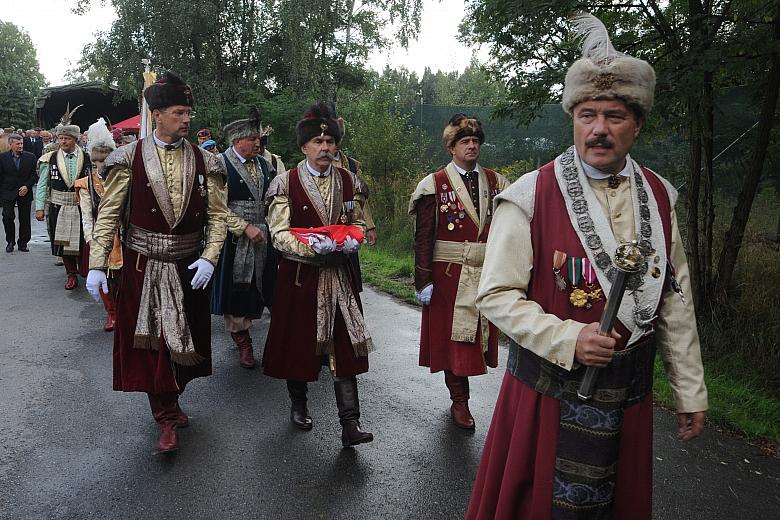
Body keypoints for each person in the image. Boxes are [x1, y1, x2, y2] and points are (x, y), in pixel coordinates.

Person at [466, 14, 708, 519]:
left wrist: (688, 389)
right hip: (547, 399)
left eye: (615, 116)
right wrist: (567, 338)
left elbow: (674, 298)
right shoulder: (529, 195)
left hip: (629, 400)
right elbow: (495, 295)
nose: (599, 129)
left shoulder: (661, 196)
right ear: (573, 118)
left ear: (637, 124)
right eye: (587, 115)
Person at [85, 71, 228, 454]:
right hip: (141, 265)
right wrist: (97, 263)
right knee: (155, 345)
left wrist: (211, 258)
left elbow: (218, 217)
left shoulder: (208, 161)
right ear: (158, 113)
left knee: (187, 341)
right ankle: (164, 416)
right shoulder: (125, 158)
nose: (188, 119)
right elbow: (109, 214)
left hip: (188, 266)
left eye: (189, 112)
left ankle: (172, 399)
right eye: (180, 112)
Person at [263, 102, 374, 447]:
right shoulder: (285, 183)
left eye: (330, 142)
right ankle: (298, 404)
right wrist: (313, 247)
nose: (325, 148)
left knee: (345, 348)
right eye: (317, 143)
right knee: (299, 346)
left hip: (339, 276)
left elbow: (355, 220)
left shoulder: (349, 180)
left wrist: (353, 238)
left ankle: (350, 423)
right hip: (301, 277)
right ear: (303, 147)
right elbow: (278, 233)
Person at [408, 115, 510, 430]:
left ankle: (463, 398)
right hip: (448, 275)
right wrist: (423, 279)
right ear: (451, 147)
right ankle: (459, 401)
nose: (471, 147)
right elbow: (423, 237)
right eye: (465, 142)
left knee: (476, 341)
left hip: (486, 271)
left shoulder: (496, 182)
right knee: (454, 343)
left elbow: (511, 229)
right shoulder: (434, 184)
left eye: (476, 142)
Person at [211, 109, 277, 369]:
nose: (258, 142)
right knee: (237, 292)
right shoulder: (220, 164)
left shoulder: (264, 164)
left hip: (265, 235)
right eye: (252, 138)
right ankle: (244, 344)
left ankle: (280, 344)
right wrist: (243, 227)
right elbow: (215, 206)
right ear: (237, 140)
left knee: (270, 287)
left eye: (257, 138)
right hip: (234, 240)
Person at [36, 105, 91, 289]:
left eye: (66, 138)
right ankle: (71, 274)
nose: (63, 142)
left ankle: (83, 269)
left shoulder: (87, 158)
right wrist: (39, 208)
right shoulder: (49, 159)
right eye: (60, 138)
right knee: (63, 243)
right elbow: (43, 184)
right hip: (58, 206)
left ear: (75, 139)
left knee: (83, 240)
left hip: (82, 205)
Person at [74, 119, 121, 331]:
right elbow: (86, 214)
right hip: (99, 236)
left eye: (106, 161)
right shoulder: (85, 184)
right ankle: (111, 313)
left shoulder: (122, 179)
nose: (102, 166)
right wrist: (90, 239)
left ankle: (123, 312)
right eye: (98, 162)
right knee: (103, 276)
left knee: (124, 278)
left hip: (124, 235)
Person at [0, 134, 38, 252]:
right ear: (10, 145)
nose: (20, 146)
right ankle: (10, 241)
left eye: (21, 143)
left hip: (25, 192)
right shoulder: (2, 158)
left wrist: (27, 186)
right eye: (17, 144)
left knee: (25, 218)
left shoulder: (30, 157)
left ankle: (23, 243)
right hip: (8, 191)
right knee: (7, 217)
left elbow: (34, 176)